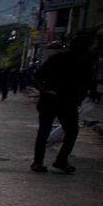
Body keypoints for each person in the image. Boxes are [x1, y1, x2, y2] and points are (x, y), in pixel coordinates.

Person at [31, 32, 97, 174]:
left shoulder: (86, 62)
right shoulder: (60, 59)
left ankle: (57, 160)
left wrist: (83, 95)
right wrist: (47, 91)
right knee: (47, 130)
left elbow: (87, 83)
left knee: (69, 131)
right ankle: (42, 162)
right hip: (53, 100)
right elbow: (36, 78)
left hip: (67, 101)